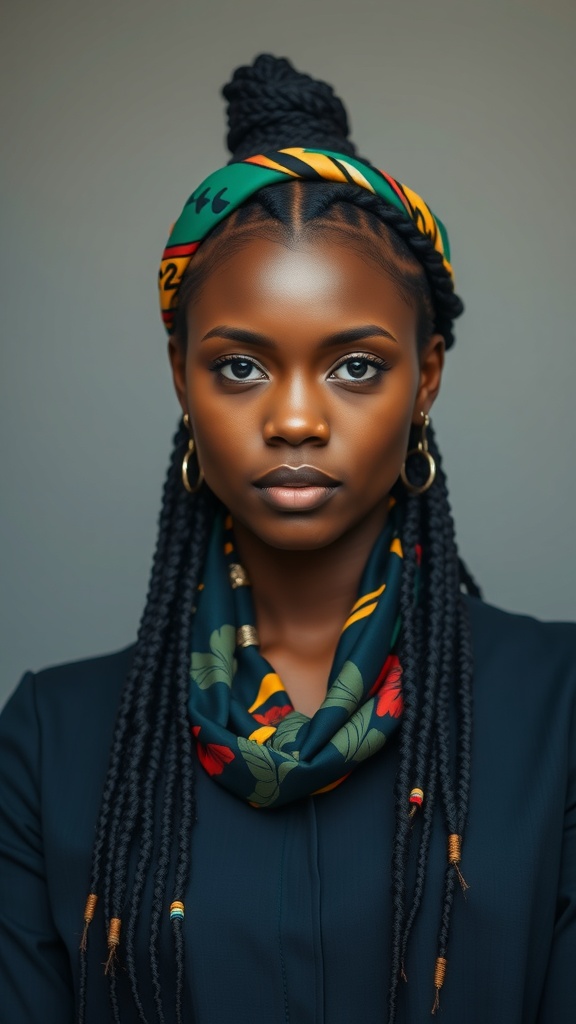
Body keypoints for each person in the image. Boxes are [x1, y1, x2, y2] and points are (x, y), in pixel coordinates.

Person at [0, 53, 574, 1024]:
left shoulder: (559, 710)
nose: (297, 417)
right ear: (180, 377)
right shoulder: (51, 740)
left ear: (427, 378)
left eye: (355, 364)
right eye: (239, 368)